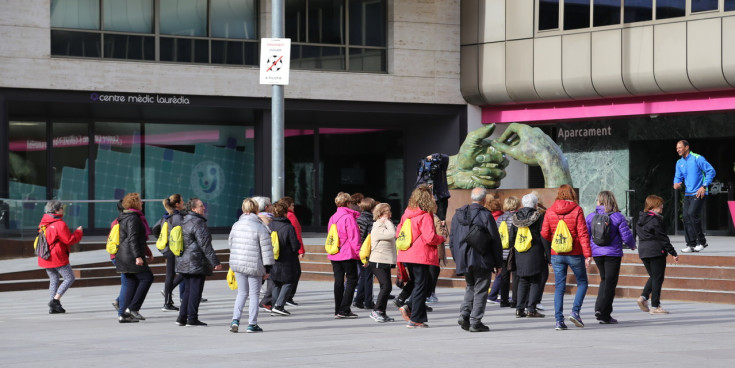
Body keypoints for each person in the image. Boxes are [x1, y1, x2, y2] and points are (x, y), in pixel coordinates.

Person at [449, 187, 503, 332]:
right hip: (481, 258)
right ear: (484, 199)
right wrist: (498, 263)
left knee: (470, 286)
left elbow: (452, 240)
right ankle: (475, 321)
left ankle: (465, 313)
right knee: (480, 289)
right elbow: (495, 240)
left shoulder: (458, 215)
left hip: (464, 259)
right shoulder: (485, 215)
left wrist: (457, 258)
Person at [541, 184, 591, 331]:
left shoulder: (550, 211)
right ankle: (575, 312)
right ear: (572, 194)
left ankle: (559, 321)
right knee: (582, 282)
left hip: (557, 254)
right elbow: (582, 233)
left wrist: (555, 240)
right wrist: (587, 255)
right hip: (575, 253)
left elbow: (544, 233)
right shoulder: (577, 210)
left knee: (559, 287)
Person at [396, 185, 445, 328]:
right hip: (421, 255)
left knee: (420, 284)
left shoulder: (407, 214)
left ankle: (416, 314)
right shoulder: (425, 215)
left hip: (407, 254)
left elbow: (398, 233)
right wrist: (441, 238)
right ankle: (415, 318)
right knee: (421, 286)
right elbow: (430, 238)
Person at [586, 191, 635, 324]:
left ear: (600, 201)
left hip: (597, 253)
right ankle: (604, 312)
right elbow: (626, 235)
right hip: (613, 253)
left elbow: (586, 235)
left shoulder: (591, 217)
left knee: (604, 280)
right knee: (610, 283)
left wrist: (588, 253)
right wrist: (632, 245)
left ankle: (599, 308)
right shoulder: (617, 217)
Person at [228, 198, 275, 333]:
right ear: (256, 209)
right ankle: (252, 324)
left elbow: (231, 244)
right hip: (255, 264)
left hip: (238, 263)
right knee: (254, 294)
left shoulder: (236, 225)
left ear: (243, 210)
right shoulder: (260, 227)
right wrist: (268, 268)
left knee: (242, 293)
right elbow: (267, 250)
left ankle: (235, 319)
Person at [175, 198, 222, 327]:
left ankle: (182, 317)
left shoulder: (184, 221)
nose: (204, 208)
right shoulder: (198, 223)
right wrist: (215, 262)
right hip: (196, 261)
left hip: (184, 260)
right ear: (194, 209)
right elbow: (205, 245)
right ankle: (192, 318)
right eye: (201, 206)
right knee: (195, 291)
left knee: (188, 291)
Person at [37, 200, 83, 314]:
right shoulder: (59, 224)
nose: (63, 209)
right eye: (61, 208)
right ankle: (55, 301)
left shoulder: (43, 222)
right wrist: (78, 232)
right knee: (69, 277)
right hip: (57, 256)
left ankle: (54, 307)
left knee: (53, 279)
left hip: (45, 255)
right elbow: (69, 240)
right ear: (56, 210)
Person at [636, 195, 679, 315]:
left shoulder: (640, 219)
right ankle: (655, 306)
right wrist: (673, 253)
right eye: (660, 204)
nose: (662, 206)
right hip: (655, 251)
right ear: (653, 206)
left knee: (654, 277)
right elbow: (663, 238)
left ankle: (643, 298)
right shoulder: (656, 220)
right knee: (658, 278)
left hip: (644, 251)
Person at [115, 193, 154, 323]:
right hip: (131, 256)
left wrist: (147, 252)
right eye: (140, 201)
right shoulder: (133, 218)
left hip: (123, 255)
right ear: (135, 203)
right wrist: (138, 256)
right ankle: (132, 308)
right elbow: (133, 239)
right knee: (147, 277)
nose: (142, 203)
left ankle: (123, 314)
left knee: (131, 283)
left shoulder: (124, 216)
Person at [509, 194, 549, 321]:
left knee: (522, 280)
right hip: (535, 252)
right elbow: (544, 237)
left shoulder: (515, 217)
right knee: (536, 280)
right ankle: (531, 309)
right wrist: (548, 255)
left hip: (520, 252)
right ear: (536, 204)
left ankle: (519, 309)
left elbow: (511, 237)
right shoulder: (539, 217)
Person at [673, 140, 716, 253]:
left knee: (692, 214)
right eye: (677, 148)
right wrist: (676, 184)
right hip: (688, 193)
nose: (678, 150)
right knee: (686, 217)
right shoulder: (679, 162)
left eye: (680, 147)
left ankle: (702, 242)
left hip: (699, 192)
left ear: (687, 147)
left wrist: (704, 186)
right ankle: (691, 244)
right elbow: (678, 177)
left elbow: (711, 171)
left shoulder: (697, 158)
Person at [327, 192, 361, 319]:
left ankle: (338, 309)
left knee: (339, 281)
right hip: (347, 253)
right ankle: (345, 309)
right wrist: (360, 255)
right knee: (352, 279)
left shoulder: (333, 217)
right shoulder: (348, 217)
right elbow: (354, 238)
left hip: (335, 252)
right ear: (348, 203)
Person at [152, 194, 186, 312]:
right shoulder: (178, 217)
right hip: (174, 249)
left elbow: (155, 229)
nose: (183, 203)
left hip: (166, 249)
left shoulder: (165, 217)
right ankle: (167, 296)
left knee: (170, 274)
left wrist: (162, 238)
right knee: (185, 271)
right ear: (177, 204)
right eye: (182, 201)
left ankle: (167, 301)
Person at [269, 200, 301, 316]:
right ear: (285, 213)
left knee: (276, 282)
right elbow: (294, 246)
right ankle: (279, 305)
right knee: (289, 282)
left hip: (273, 258)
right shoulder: (288, 227)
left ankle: (274, 306)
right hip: (287, 259)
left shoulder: (270, 225)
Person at [367, 203, 397, 323]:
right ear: (380, 214)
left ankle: (382, 312)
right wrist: (387, 222)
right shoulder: (378, 226)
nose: (389, 214)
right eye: (386, 212)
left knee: (386, 286)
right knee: (386, 286)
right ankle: (376, 310)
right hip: (377, 260)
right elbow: (392, 234)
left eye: (389, 211)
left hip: (385, 260)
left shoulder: (384, 225)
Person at [489, 196, 521, 307]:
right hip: (514, 251)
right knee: (516, 276)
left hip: (502, 251)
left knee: (504, 276)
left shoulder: (500, 218)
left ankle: (503, 300)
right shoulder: (517, 218)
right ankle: (515, 301)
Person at [354, 197, 377, 310]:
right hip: (367, 251)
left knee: (363, 276)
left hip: (358, 250)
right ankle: (368, 301)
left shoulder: (358, 219)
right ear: (372, 207)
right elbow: (371, 237)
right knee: (368, 277)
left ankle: (358, 300)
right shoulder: (371, 220)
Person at [252, 196, 275, 312]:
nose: (272, 206)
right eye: (270, 204)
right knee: (269, 276)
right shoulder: (266, 220)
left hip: (259, 254)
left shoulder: (255, 219)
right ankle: (265, 302)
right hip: (265, 254)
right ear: (266, 207)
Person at [281, 196, 303, 306]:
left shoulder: (284, 215)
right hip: (291, 250)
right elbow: (297, 235)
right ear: (288, 205)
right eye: (292, 205)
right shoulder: (291, 216)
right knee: (295, 272)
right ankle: (288, 297)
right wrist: (301, 250)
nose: (294, 207)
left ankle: (283, 298)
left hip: (283, 249)